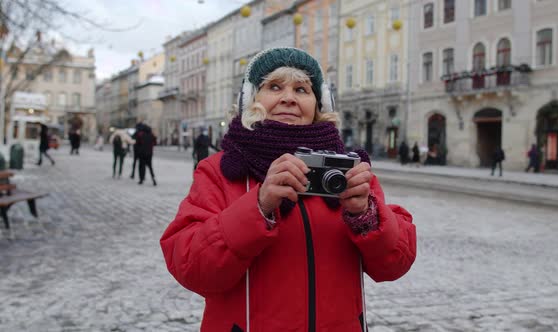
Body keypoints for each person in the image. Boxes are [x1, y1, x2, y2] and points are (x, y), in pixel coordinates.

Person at [160, 47, 417, 332]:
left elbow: (395, 264)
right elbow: (192, 268)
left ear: (320, 104)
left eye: (302, 89)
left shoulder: (348, 172)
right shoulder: (219, 170)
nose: (289, 98)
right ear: (250, 98)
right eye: (274, 86)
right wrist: (258, 206)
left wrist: (366, 216)